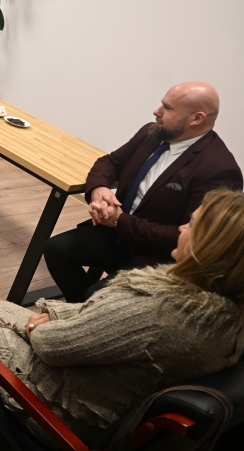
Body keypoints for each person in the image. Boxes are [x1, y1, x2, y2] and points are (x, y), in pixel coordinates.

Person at [0, 188, 244, 445]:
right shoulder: (223, 315)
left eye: (192, 225)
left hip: (67, 418)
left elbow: (53, 346)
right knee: (4, 310)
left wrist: (36, 326)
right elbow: (103, 319)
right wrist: (54, 311)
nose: (182, 228)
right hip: (112, 402)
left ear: (211, 248)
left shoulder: (157, 311)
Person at [43, 82, 242, 302]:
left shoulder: (219, 170)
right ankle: (81, 313)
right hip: (119, 236)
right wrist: (100, 189)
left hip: (157, 255)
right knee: (55, 249)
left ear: (196, 119)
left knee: (95, 296)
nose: (157, 111)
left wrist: (120, 222)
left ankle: (88, 312)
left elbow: (190, 237)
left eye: (168, 108)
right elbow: (109, 162)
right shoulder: (152, 133)